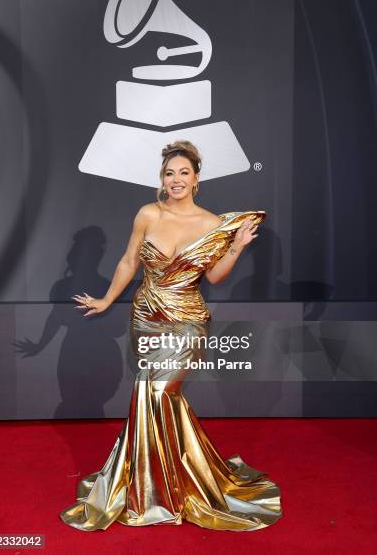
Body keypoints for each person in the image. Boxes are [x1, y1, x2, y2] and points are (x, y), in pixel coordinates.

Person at [59, 141, 282, 531]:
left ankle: (163, 491)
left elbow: (214, 277)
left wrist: (237, 248)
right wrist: (108, 300)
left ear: (197, 178)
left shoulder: (213, 224)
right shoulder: (148, 213)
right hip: (145, 317)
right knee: (156, 398)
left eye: (183, 172)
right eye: (169, 173)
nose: (176, 179)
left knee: (158, 392)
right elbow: (130, 260)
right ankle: (161, 483)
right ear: (161, 180)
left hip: (188, 321)